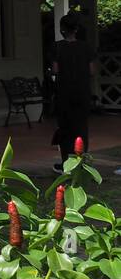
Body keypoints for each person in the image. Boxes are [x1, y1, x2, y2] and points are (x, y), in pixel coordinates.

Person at [52, 13, 95, 168]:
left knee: (65, 129)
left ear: (62, 29)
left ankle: (67, 164)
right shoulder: (86, 47)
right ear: (76, 29)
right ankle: (81, 161)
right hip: (82, 93)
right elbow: (91, 70)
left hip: (64, 93)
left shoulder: (58, 47)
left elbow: (56, 70)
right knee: (82, 128)